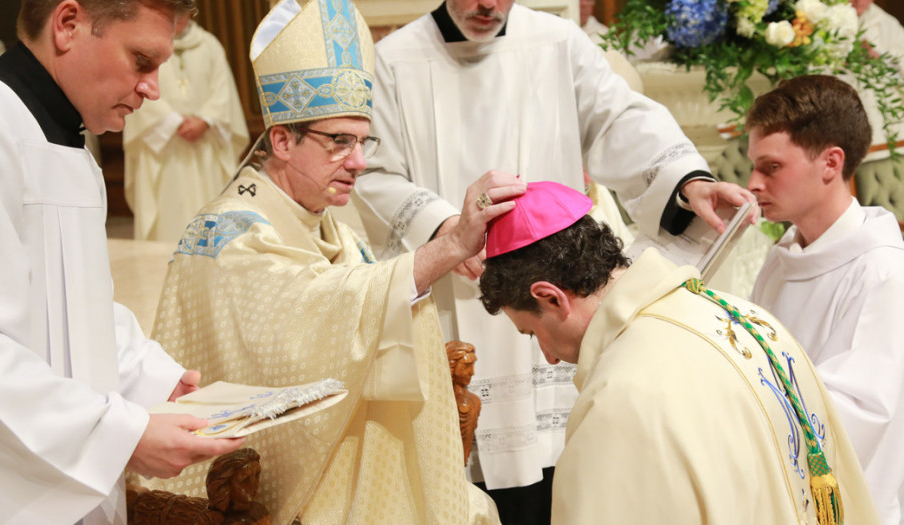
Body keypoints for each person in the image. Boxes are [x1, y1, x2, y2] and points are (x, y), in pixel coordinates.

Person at [350, 0, 755, 519]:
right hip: (458, 296)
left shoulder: (558, 42)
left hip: (558, 299)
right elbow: (372, 171)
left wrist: (688, 183)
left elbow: (622, 121)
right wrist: (445, 231)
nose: (486, 5)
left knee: (570, 463)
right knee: (470, 463)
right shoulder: (393, 60)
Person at [143, 0, 515, 522]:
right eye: (339, 141)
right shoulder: (226, 233)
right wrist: (448, 247)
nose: (359, 162)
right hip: (253, 483)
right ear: (281, 140)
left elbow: (352, 300)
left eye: (364, 142)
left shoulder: (328, 223)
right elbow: (311, 311)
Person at [0, 0, 245, 523]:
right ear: (68, 25)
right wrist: (119, 434)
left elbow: (74, 301)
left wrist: (151, 376)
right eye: (142, 60)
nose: (153, 89)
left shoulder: (68, 144)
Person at [477, 180, 879, 524]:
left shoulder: (620, 395)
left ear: (549, 298)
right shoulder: (747, 318)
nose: (547, 357)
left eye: (532, 333)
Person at [747, 74, 904, 525]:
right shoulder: (785, 259)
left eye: (771, 167)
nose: (753, 183)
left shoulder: (882, 271)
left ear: (831, 163)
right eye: (754, 166)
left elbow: (860, 414)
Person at [123, 11, 249, 243]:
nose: (178, 17)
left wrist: (206, 120)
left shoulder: (210, 45)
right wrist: (172, 121)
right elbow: (140, 85)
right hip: (165, 146)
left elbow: (223, 90)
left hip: (207, 144)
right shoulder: (146, 44)